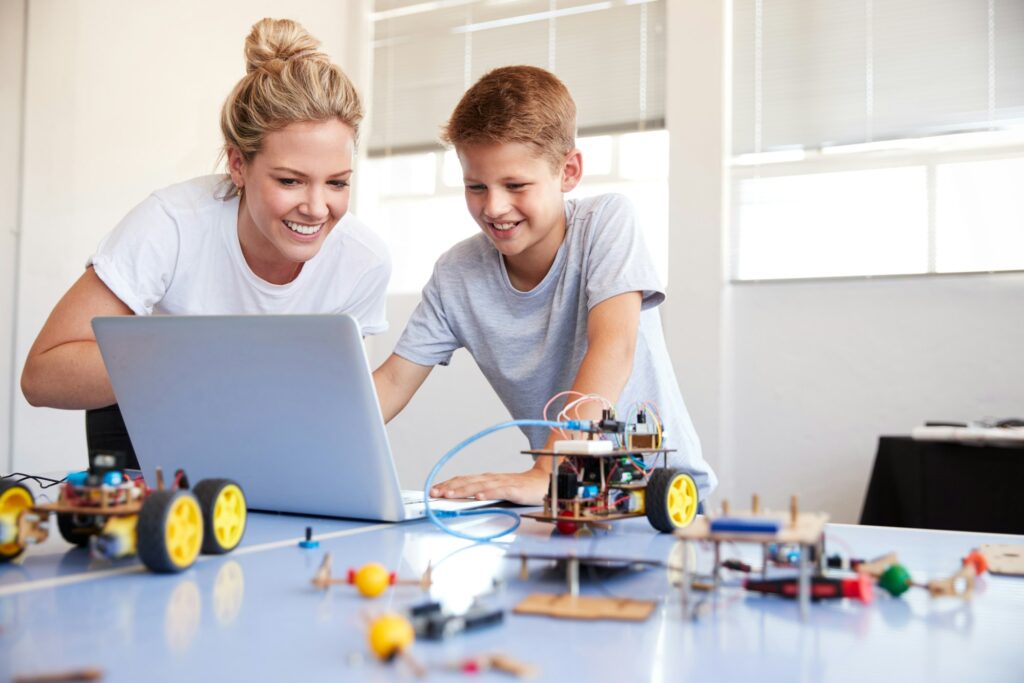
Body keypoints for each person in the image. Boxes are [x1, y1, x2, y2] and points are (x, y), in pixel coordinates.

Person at [21, 18, 390, 466]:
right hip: (159, 455)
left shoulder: (363, 261)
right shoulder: (173, 223)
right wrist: (212, 358)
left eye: (336, 182)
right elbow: (42, 376)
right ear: (238, 165)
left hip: (269, 449)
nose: (316, 208)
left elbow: (332, 406)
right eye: (290, 181)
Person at [373, 65, 716, 505]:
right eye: (476, 186)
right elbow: (393, 382)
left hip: (659, 497)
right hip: (569, 499)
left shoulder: (606, 223)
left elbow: (614, 346)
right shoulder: (456, 273)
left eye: (515, 185)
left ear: (568, 171)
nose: (494, 206)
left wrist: (550, 468)